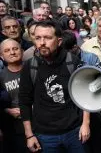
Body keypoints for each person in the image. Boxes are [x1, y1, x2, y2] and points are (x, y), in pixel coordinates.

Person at [19, 21, 90, 152]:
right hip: (45, 135)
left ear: (59, 41)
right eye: (38, 38)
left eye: (48, 38)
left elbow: (85, 93)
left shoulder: (72, 61)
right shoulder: (30, 66)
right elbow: (24, 102)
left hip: (74, 131)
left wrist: (85, 124)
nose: (42, 42)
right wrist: (29, 135)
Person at [0, 39, 28, 153]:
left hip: (41, 125)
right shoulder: (1, 77)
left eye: (15, 49)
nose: (12, 53)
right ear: (2, 56)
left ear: (21, 51)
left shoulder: (33, 68)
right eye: (7, 50)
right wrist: (7, 110)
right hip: (17, 130)